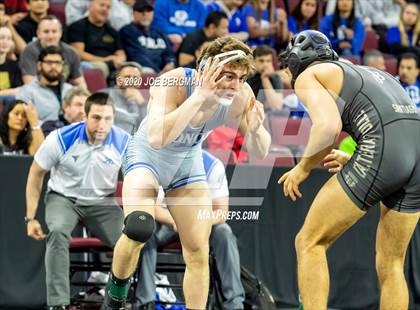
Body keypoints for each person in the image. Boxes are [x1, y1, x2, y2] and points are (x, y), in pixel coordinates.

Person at [103, 36, 271, 309]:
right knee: (139, 226)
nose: (234, 85)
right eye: (228, 76)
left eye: (241, 77)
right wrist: (200, 97)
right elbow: (158, 138)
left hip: (187, 162)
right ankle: (115, 295)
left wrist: (255, 129)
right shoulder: (173, 82)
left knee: (197, 249)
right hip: (147, 157)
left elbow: (260, 151)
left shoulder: (242, 95)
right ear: (205, 69)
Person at [278, 30, 420, 309]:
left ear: (296, 62)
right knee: (392, 263)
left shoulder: (310, 75)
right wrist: (359, 157)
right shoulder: (366, 71)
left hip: (383, 151)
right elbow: (392, 121)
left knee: (309, 242)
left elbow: (328, 127)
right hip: (415, 154)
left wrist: (303, 167)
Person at [25, 92, 130, 310]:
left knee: (128, 242)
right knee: (57, 232)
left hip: (102, 202)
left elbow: (136, 178)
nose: (102, 125)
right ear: (85, 116)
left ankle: (114, 302)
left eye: (108, 119)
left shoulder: (124, 142)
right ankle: (58, 304)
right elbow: (36, 173)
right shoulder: (61, 138)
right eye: (96, 118)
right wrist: (30, 218)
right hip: (64, 199)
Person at [136, 150, 245, 309]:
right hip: (169, 221)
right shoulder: (162, 162)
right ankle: (146, 302)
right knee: (144, 232)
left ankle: (234, 304)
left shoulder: (213, 166)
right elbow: (153, 207)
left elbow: (221, 212)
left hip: (200, 221)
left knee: (224, 232)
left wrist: (198, 221)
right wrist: (177, 220)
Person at [19, 15, 86, 86]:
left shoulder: (71, 52)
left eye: (54, 32)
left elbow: (80, 83)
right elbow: (30, 84)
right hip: (37, 93)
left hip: (63, 92)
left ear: (60, 33)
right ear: (38, 33)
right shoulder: (29, 51)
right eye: (46, 32)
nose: (50, 36)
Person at [66, 0, 126, 78]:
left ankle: (131, 90)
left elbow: (121, 53)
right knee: (101, 68)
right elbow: (78, 54)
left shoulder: (112, 31)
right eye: (102, 5)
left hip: (111, 63)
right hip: (89, 64)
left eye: (108, 7)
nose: (105, 9)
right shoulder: (78, 27)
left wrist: (119, 59)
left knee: (133, 68)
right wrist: (104, 60)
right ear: (90, 6)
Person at [16, 46, 73, 124]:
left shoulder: (71, 90)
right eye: (49, 62)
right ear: (39, 65)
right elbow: (25, 120)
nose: (53, 66)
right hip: (43, 133)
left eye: (58, 63)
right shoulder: (27, 92)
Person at [119, 0, 176, 74]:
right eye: (141, 11)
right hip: (140, 71)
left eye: (148, 11)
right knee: (146, 70)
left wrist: (170, 64)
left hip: (162, 74)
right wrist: (158, 73)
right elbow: (137, 56)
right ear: (133, 14)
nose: (145, 14)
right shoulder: (127, 31)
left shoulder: (159, 33)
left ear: (153, 13)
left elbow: (169, 53)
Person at [104, 62, 147, 134]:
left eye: (135, 78)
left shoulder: (144, 101)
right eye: (127, 77)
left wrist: (142, 104)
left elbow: (148, 130)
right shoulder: (105, 96)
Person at [247, 44, 283, 112]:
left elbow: (276, 106)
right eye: (261, 61)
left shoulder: (275, 78)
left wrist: (265, 78)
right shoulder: (247, 76)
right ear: (253, 62)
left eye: (268, 61)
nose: (265, 64)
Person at [0, 25, 23, 98]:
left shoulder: (14, 65)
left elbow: (19, 89)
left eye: (9, 38)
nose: (5, 42)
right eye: (1, 38)